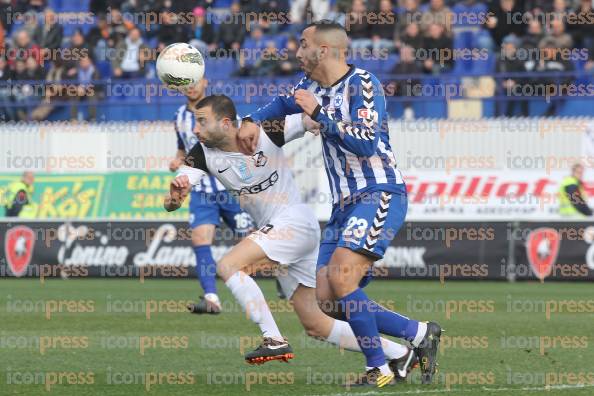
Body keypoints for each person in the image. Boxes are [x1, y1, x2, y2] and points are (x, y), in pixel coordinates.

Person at [237, 20, 441, 386]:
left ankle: (378, 369)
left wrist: (318, 114)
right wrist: (252, 120)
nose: (297, 52)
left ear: (324, 50)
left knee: (343, 277)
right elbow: (285, 102)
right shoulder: (309, 85)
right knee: (328, 301)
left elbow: (365, 142)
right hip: (343, 204)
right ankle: (419, 333)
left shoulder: (363, 84)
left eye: (303, 44)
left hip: (378, 191)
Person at [165, 94, 419, 382]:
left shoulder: (264, 131)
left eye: (201, 122)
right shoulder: (200, 154)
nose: (195, 130)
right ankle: (397, 353)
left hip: (294, 222)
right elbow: (173, 198)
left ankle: (273, 338)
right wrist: (175, 196)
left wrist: (319, 120)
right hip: (282, 233)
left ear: (225, 123)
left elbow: (310, 119)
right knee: (317, 325)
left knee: (228, 266)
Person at [169, 81, 254, 315]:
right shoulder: (178, 117)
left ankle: (285, 281)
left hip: (229, 188)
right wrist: (177, 160)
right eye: (186, 83)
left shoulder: (219, 110)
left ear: (205, 81)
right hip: (201, 190)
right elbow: (183, 149)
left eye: (195, 81)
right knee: (200, 239)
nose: (191, 87)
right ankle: (211, 297)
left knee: (254, 242)